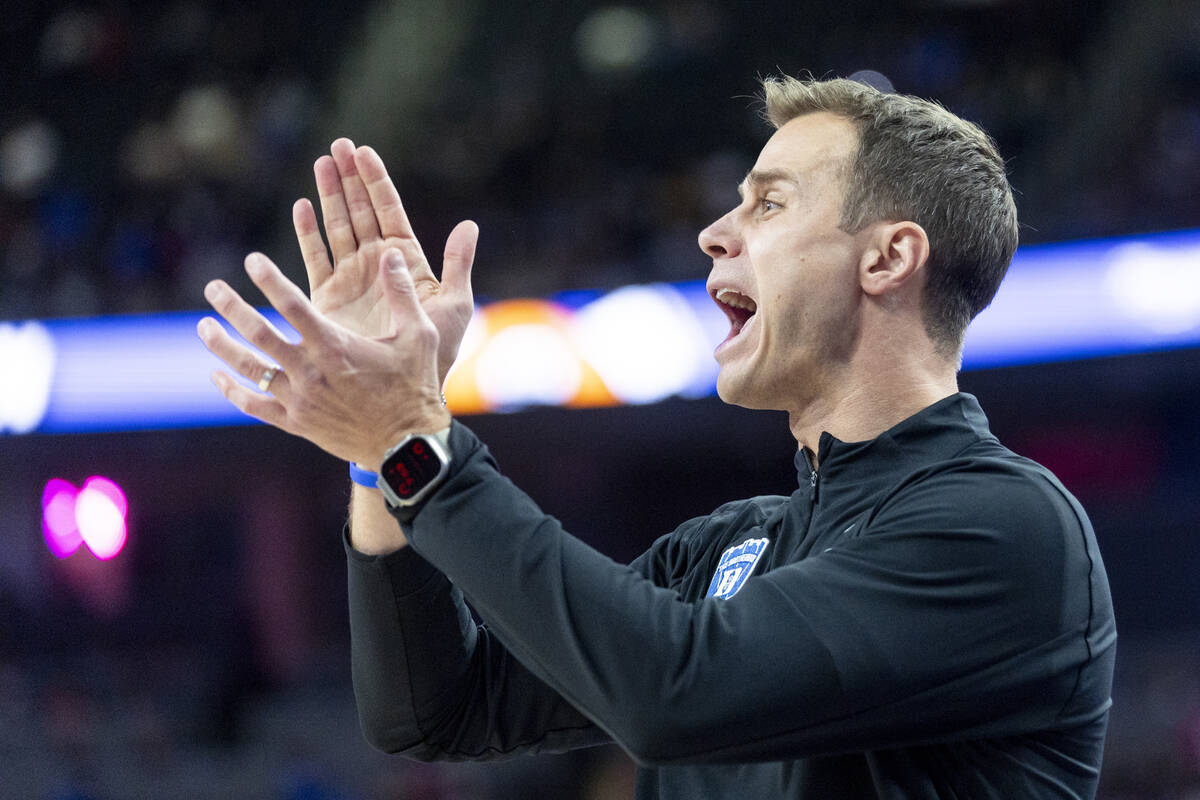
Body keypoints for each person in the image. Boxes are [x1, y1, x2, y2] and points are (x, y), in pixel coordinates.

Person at [198, 75, 1116, 799]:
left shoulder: (1005, 527)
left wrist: (414, 439)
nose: (715, 231)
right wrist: (379, 453)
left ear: (887, 258)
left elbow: (675, 696)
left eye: (768, 204)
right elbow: (436, 712)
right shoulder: (730, 546)